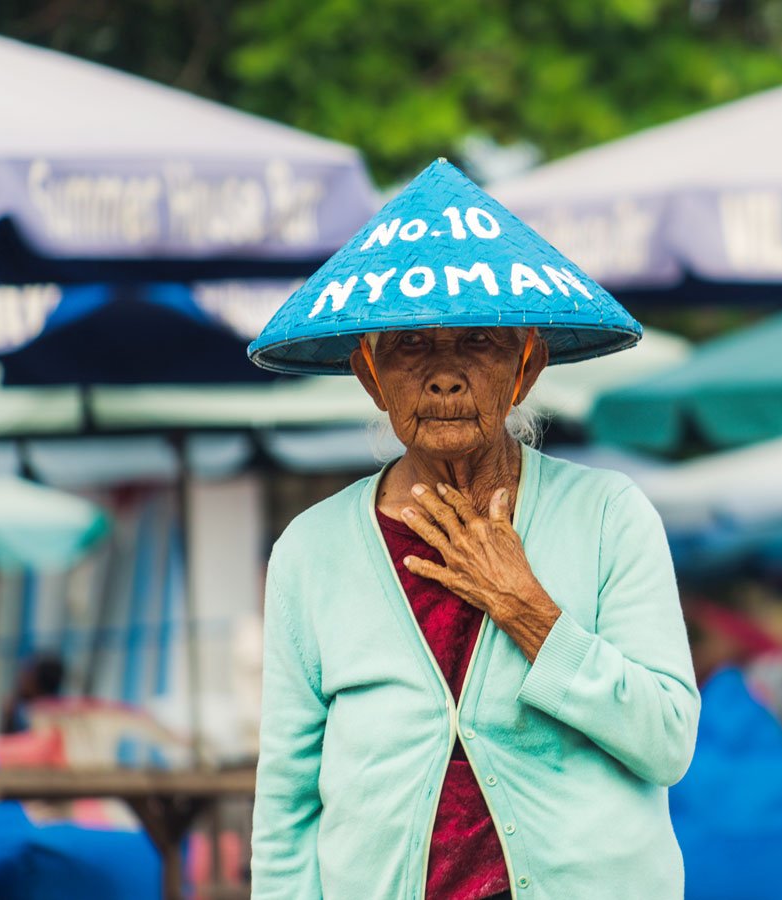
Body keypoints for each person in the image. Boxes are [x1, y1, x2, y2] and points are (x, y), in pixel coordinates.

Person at [248, 161, 699, 900]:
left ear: (526, 368)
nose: (445, 374)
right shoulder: (311, 550)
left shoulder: (610, 515)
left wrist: (529, 609)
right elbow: (288, 804)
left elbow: (668, 740)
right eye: (411, 346)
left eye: (479, 343)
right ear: (368, 374)